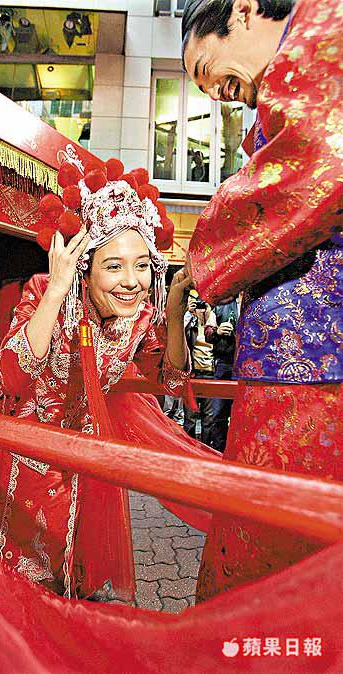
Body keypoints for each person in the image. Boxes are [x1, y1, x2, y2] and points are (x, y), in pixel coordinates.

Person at [0, 158, 218, 602]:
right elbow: (13, 374)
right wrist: (56, 288)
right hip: (22, 454)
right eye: (114, 266)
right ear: (84, 268)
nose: (132, 282)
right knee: (23, 584)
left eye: (142, 266)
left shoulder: (141, 315)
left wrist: (175, 305)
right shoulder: (46, 290)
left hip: (84, 458)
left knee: (72, 578)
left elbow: (170, 379)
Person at [182, 0, 342, 601]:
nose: (214, 94)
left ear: (244, 11)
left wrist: (199, 260)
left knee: (277, 561)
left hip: (312, 364)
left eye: (206, 68)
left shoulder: (321, 34)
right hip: (293, 361)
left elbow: (316, 160)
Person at [204, 299, 239, 452]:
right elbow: (207, 333)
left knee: (242, 414)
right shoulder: (222, 305)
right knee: (218, 414)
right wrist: (217, 331)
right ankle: (218, 452)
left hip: (248, 365)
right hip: (225, 363)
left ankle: (237, 452)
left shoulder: (257, 302)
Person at [183, 292, 214, 445]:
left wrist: (211, 318)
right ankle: (189, 449)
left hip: (211, 374)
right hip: (193, 375)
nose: (201, 310)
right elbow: (179, 335)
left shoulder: (214, 325)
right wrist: (188, 313)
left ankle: (206, 449)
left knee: (209, 418)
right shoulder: (191, 324)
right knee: (190, 417)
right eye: (199, 306)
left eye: (204, 306)